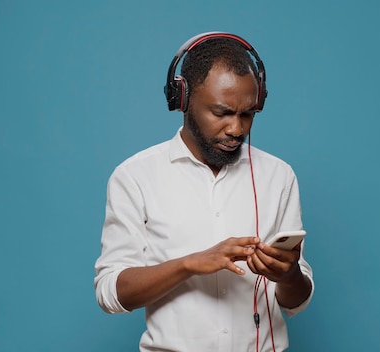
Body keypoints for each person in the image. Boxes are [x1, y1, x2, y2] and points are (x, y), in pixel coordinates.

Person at [94, 32, 314, 352]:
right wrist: (190, 264)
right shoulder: (134, 177)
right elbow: (110, 294)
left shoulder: (278, 176)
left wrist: (289, 274)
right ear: (183, 101)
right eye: (222, 113)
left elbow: (296, 302)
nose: (236, 129)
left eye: (247, 114)